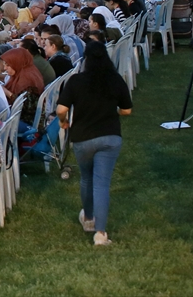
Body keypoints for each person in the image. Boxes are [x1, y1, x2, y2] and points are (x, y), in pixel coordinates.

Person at [57, 41, 133, 246]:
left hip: (83, 137)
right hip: (110, 137)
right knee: (102, 184)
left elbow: (61, 109)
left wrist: (63, 122)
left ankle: (89, 217)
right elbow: (127, 110)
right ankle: (100, 232)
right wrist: (114, 111)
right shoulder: (115, 80)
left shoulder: (76, 81)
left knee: (86, 178)